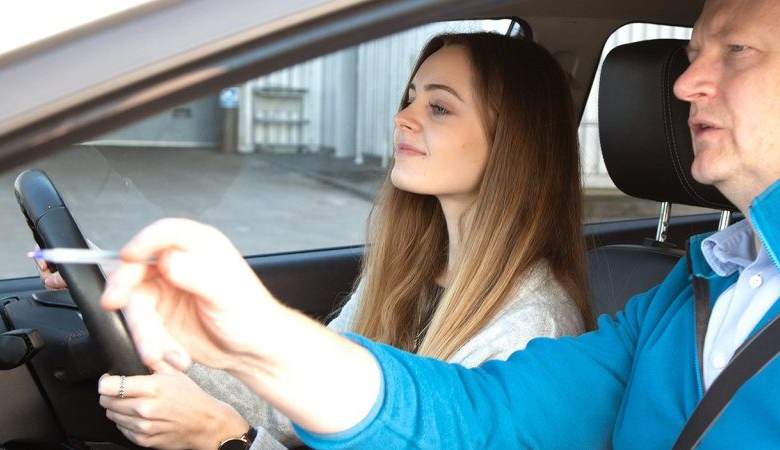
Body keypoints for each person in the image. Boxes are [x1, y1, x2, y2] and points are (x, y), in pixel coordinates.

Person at [99, 0, 780, 448]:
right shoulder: (696, 289)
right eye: (693, 53)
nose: (687, 82)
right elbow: (478, 418)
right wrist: (256, 336)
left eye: (735, 51)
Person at [43, 32, 593, 449]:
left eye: (439, 107)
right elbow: (292, 405)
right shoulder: (411, 271)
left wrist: (225, 438)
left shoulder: (534, 329)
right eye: (410, 98)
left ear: (511, 143)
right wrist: (136, 302)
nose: (401, 117)